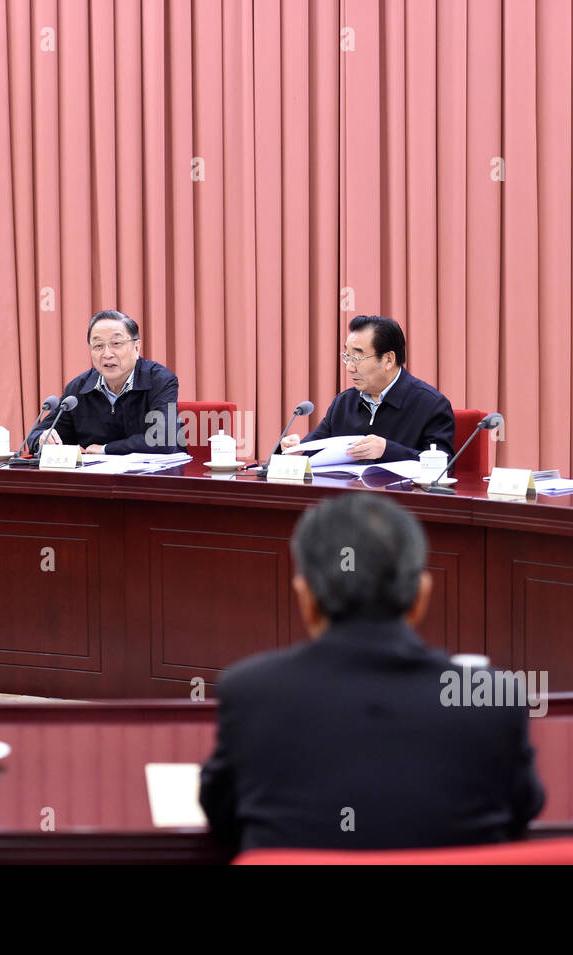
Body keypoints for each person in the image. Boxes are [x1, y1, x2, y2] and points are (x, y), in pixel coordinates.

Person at [199, 492, 545, 851]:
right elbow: (522, 813)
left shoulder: (251, 692)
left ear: (305, 596)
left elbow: (221, 817)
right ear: (421, 595)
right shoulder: (491, 696)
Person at [281, 315, 454, 465]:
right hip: (345, 499)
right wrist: (297, 450)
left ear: (388, 359)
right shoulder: (344, 403)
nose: (349, 367)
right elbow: (314, 448)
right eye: (347, 356)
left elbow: (444, 465)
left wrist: (387, 450)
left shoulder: (430, 404)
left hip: (400, 501)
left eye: (357, 357)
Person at [24, 309, 181, 454]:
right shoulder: (79, 389)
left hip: (154, 478)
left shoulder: (161, 380)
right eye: (98, 346)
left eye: (116, 344)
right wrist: (42, 440)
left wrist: (106, 449)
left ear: (136, 347)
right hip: (96, 481)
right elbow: (37, 435)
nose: (107, 354)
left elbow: (163, 439)